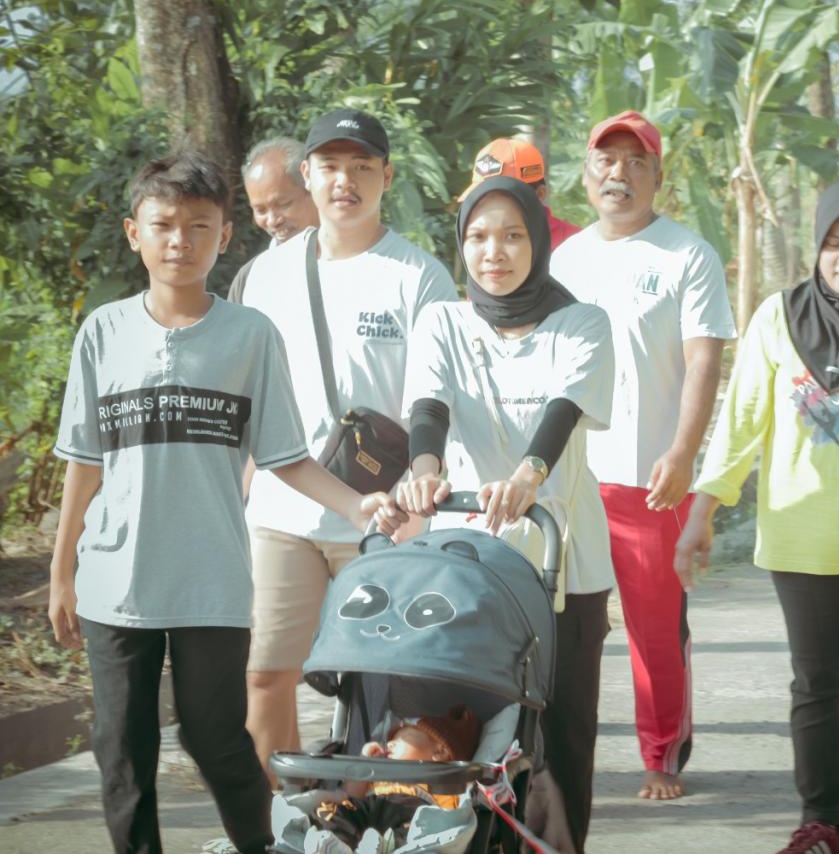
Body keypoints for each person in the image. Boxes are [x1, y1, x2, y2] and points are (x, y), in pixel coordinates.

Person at [47, 153, 404, 854]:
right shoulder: (102, 334)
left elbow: (286, 456)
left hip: (210, 581)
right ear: (134, 233)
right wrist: (63, 573)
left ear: (225, 235)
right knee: (121, 748)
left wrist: (359, 506)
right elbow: (83, 465)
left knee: (216, 739)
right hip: (114, 583)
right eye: (163, 226)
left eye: (198, 226)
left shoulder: (249, 336)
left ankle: (262, 847)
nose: (179, 242)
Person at [673, 181, 839, 854]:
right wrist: (703, 510)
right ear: (815, 247)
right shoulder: (779, 317)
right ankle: (821, 823)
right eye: (834, 244)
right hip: (804, 533)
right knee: (817, 683)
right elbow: (742, 419)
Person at [236, 109, 459, 781]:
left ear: (386, 176)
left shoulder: (418, 275)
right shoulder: (262, 276)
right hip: (280, 511)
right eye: (330, 166)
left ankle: (379, 813)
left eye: (362, 167)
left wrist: (422, 482)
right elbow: (247, 392)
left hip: (384, 519)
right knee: (265, 674)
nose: (345, 181)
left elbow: (433, 396)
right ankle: (278, 816)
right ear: (307, 175)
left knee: (387, 687)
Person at [397, 176, 615, 854]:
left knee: (561, 732)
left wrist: (527, 477)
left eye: (513, 235)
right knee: (461, 723)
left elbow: (563, 412)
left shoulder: (582, 323)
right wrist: (425, 469)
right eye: (479, 236)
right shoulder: (442, 322)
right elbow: (429, 406)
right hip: (468, 561)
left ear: (539, 240)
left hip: (560, 558)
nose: (495, 251)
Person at [550, 110, 736, 801]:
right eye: (606, 160)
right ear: (586, 173)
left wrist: (684, 452)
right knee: (563, 628)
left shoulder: (687, 255)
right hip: (571, 478)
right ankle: (554, 756)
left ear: (657, 176)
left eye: (635, 162)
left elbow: (703, 363)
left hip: (650, 478)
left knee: (654, 631)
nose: (618, 174)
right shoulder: (564, 260)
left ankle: (661, 755)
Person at [228, 138, 320, 303]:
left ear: (314, 189)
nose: (272, 221)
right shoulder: (251, 279)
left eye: (283, 204)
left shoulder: (358, 261)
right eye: (260, 210)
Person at [459, 137, 581, 249]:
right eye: (481, 197)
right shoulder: (475, 243)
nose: (491, 207)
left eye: (503, 197)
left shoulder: (575, 246)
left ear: (539, 194)